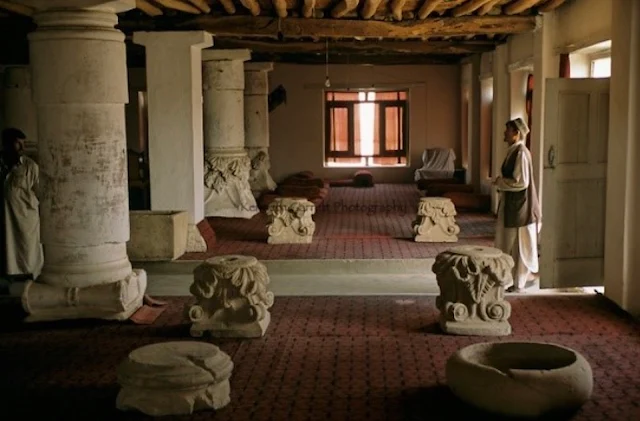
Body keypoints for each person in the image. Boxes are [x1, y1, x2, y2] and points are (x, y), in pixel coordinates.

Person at [493, 118, 541, 293]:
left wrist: (501, 182)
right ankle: (511, 280)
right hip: (513, 204)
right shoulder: (513, 151)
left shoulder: (521, 153)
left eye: (508, 130)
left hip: (521, 206)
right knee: (511, 243)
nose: (504, 133)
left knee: (519, 245)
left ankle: (519, 282)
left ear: (516, 133)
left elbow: (521, 182)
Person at [0, 127, 43, 282]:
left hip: (25, 219)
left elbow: (39, 192)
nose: (22, 148)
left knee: (27, 250)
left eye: (23, 144)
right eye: (18, 143)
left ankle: (29, 278)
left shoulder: (30, 166)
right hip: (5, 217)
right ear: (7, 144)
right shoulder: (2, 164)